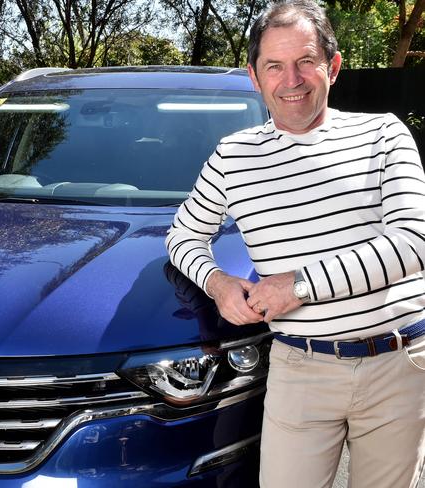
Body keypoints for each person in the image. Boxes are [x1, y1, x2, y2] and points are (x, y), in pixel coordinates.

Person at [165, 1, 425, 486]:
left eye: (306, 61)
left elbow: (413, 241)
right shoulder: (232, 156)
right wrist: (219, 283)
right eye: (275, 66)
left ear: (333, 65)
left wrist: (300, 286)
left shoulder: (385, 133)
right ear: (254, 76)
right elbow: (182, 235)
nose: (293, 80)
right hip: (299, 366)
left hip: (398, 365)